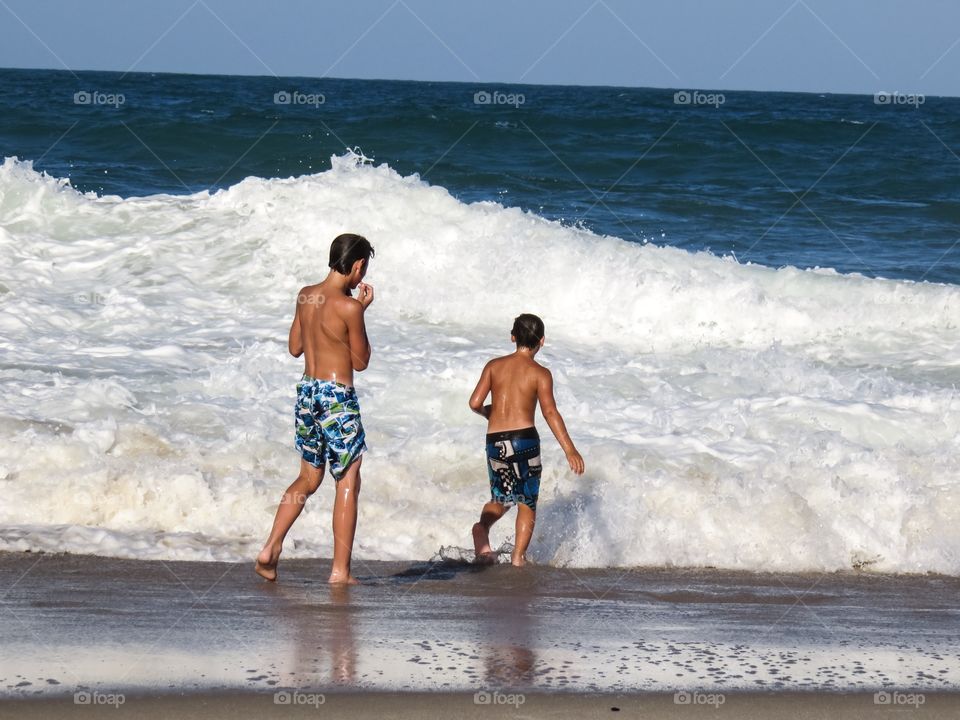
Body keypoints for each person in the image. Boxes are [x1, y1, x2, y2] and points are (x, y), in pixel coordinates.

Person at [256, 233, 375, 585]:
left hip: (307, 391)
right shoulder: (350, 307)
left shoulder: (305, 295)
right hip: (337, 396)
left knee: (308, 478)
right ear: (357, 265)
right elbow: (360, 360)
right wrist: (361, 311)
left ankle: (270, 548)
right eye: (362, 268)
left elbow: (295, 347)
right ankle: (340, 571)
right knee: (348, 478)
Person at [468, 313, 584, 566]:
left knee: (502, 496)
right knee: (526, 501)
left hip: (495, 441)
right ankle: (518, 558)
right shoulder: (540, 373)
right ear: (541, 341)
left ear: (512, 336)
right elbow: (550, 412)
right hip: (524, 441)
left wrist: (490, 413)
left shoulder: (493, 366)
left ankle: (482, 527)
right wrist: (570, 449)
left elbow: (474, 403)